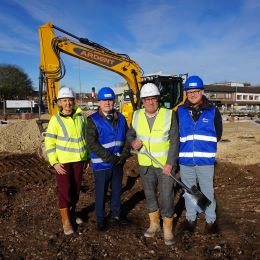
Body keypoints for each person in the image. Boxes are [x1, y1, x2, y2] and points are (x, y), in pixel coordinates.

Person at [127, 83, 179, 245]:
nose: (150, 102)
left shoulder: (169, 115)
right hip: (145, 164)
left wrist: (170, 163)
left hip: (164, 165)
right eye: (147, 99)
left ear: (158, 99)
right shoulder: (136, 115)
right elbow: (130, 134)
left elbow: (174, 141)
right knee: (149, 195)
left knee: (167, 196)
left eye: (153, 99)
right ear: (142, 101)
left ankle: (167, 228)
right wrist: (132, 141)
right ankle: (154, 224)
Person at [177, 75, 223, 234]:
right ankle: (191, 219)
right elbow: (176, 135)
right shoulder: (180, 111)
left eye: (196, 91)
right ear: (186, 93)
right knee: (189, 191)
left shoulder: (213, 111)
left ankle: (210, 221)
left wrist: (205, 148)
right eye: (189, 92)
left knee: (207, 191)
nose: (193, 94)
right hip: (185, 160)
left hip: (205, 161)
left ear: (202, 91)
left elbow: (218, 134)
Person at [45, 87, 89, 235]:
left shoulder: (81, 117)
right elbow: (49, 143)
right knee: (65, 191)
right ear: (59, 103)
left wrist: (87, 157)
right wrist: (54, 162)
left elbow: (85, 138)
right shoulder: (55, 120)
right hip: (63, 163)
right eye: (64, 100)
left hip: (79, 160)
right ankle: (66, 222)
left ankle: (72, 214)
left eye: (70, 100)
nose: (68, 103)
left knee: (76, 190)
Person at [86, 87, 130, 231]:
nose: (107, 102)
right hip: (102, 165)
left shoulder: (121, 117)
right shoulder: (93, 120)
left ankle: (116, 215)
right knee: (101, 193)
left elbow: (128, 138)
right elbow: (92, 144)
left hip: (118, 163)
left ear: (114, 101)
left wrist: (123, 155)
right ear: (99, 101)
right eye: (104, 100)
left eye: (110, 100)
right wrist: (111, 158)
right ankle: (100, 218)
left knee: (116, 191)